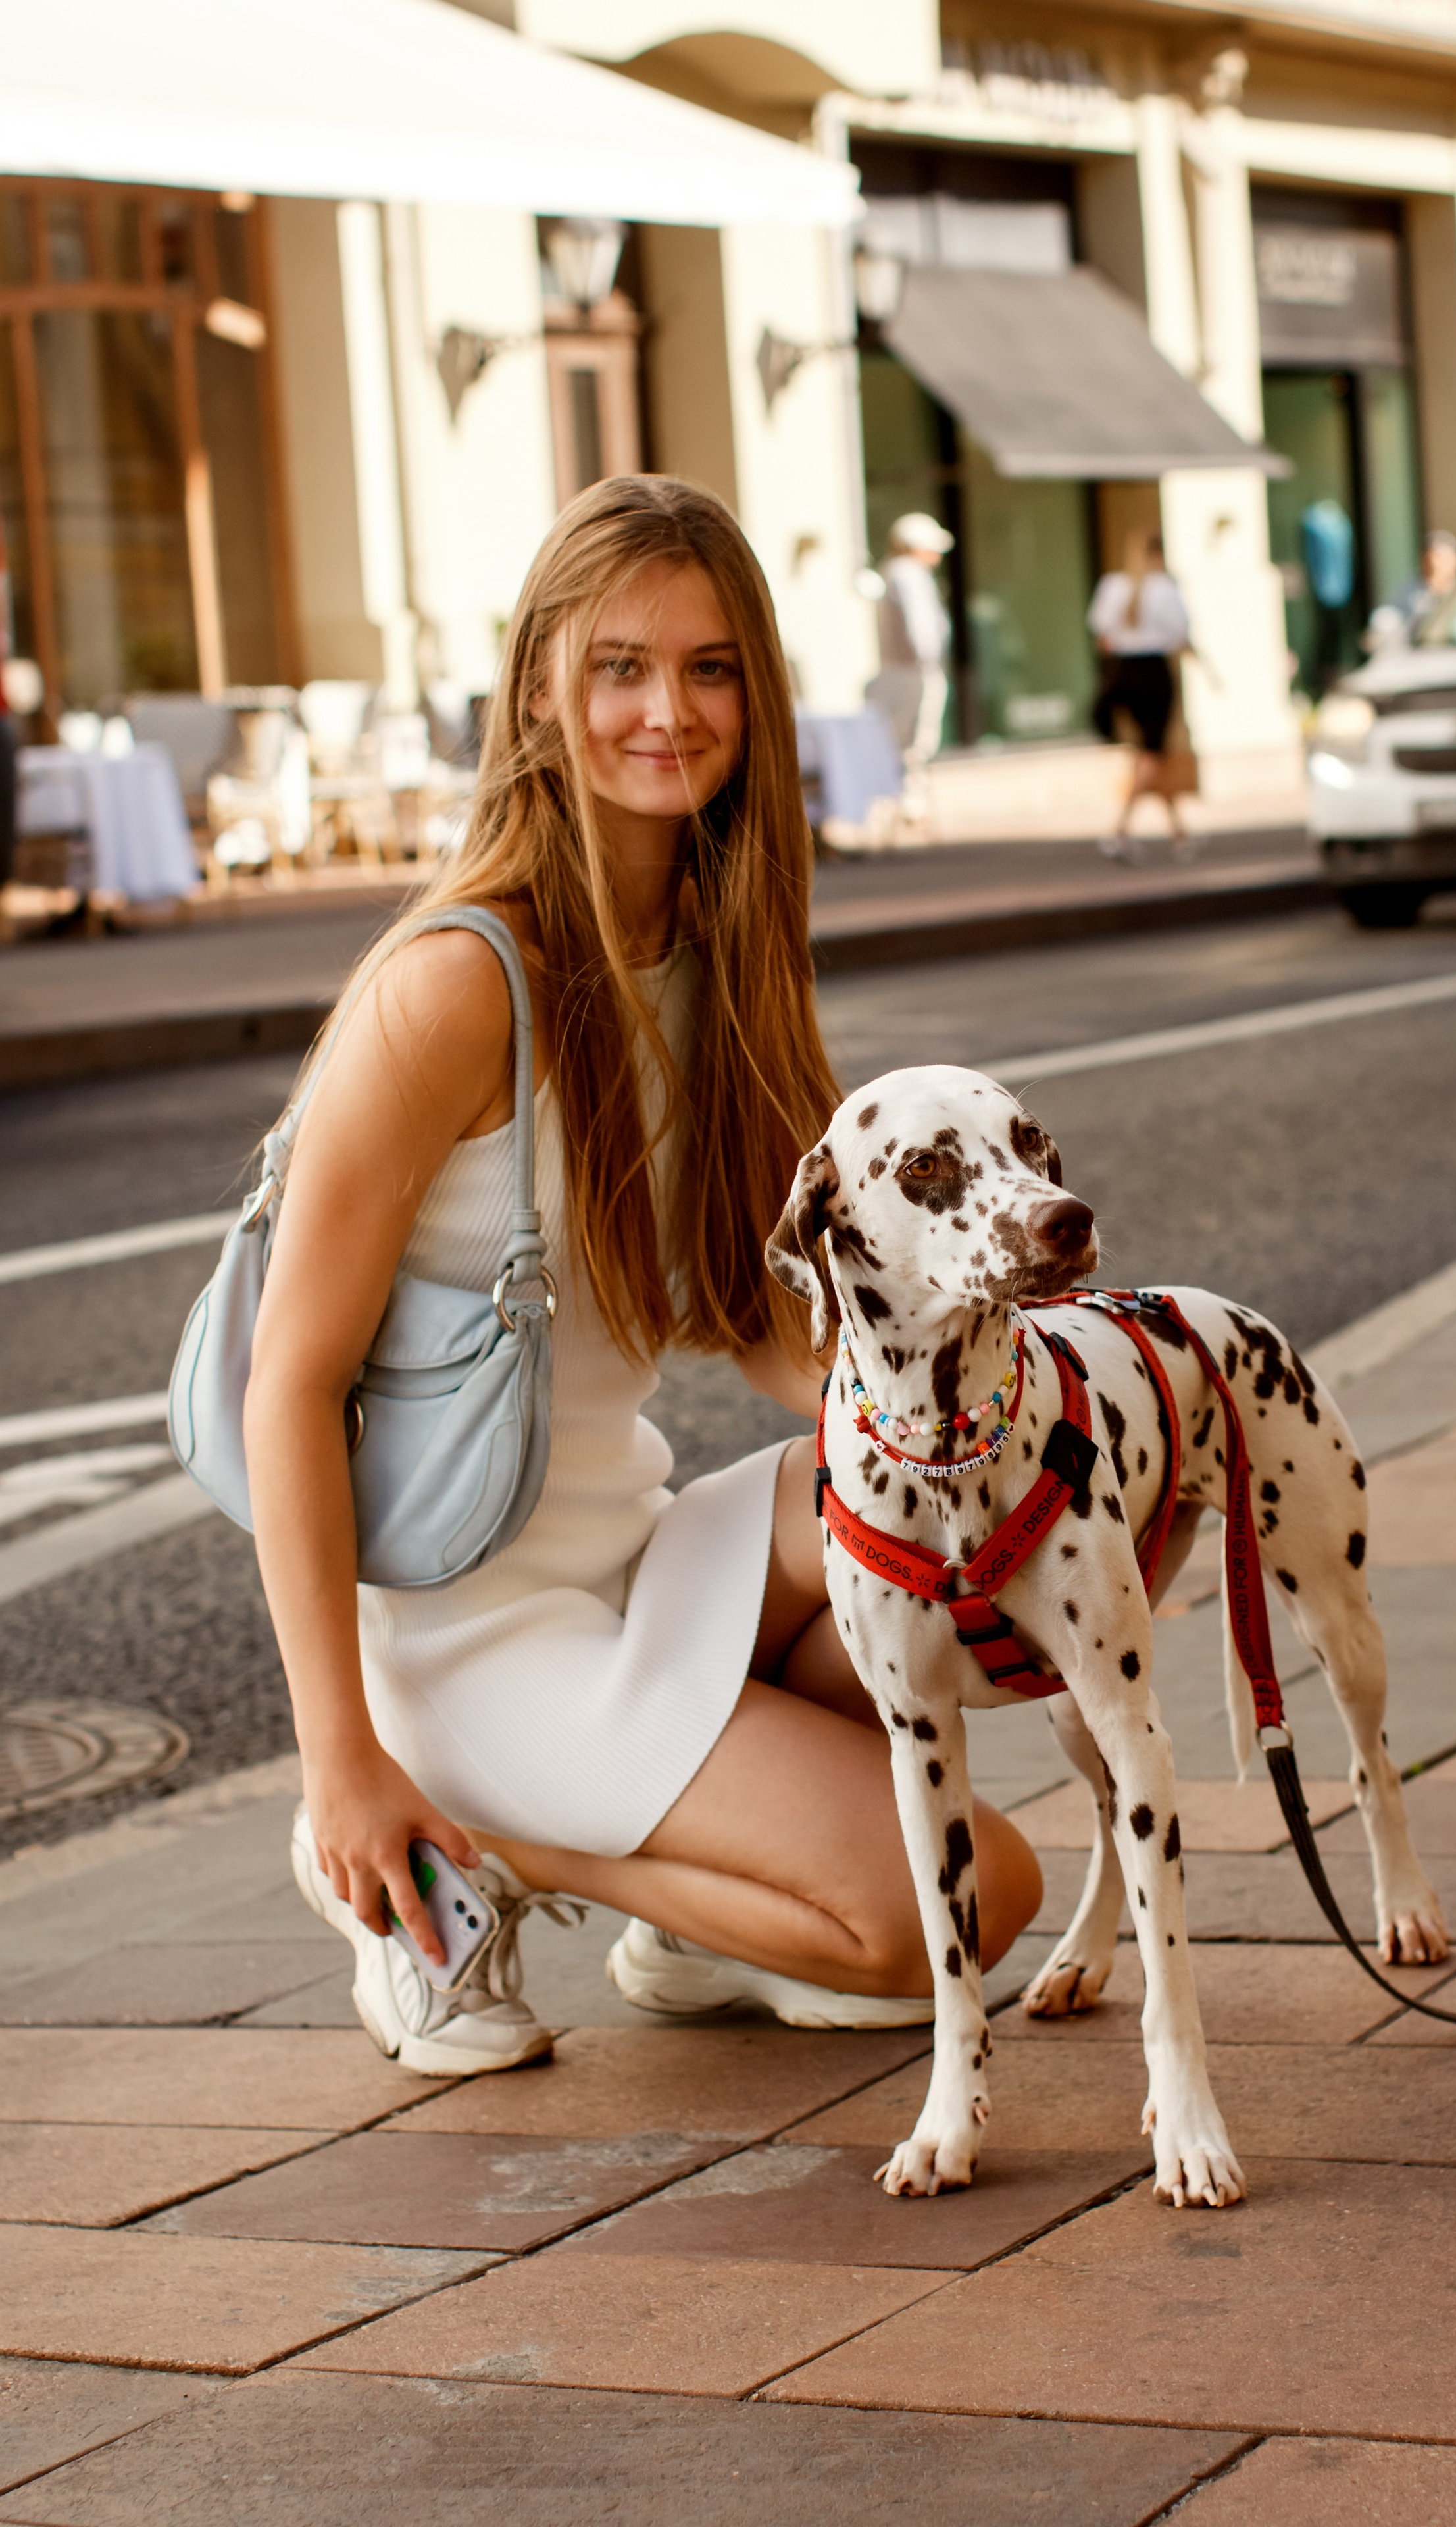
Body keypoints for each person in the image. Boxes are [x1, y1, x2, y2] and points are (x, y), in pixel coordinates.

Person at [246, 476, 1042, 2074]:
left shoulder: (719, 939)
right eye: (617, 666)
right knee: (957, 1905)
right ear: (541, 684)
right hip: (479, 1636)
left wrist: (948, 1432)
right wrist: (341, 1756)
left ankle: (705, 1903)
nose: (663, 712)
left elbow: (752, 1310)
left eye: (707, 667)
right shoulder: (453, 986)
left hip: (640, 1550)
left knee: (984, 1513)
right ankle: (473, 1827)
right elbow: (291, 1385)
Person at [1088, 530, 1193, 859]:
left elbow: (1101, 635)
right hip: (1152, 672)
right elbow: (1182, 634)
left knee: (1151, 755)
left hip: (1121, 673)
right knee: (1153, 752)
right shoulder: (1164, 588)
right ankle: (1121, 829)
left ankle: (1178, 832)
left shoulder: (1112, 586)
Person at [866, 511, 953, 825]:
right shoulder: (908, 574)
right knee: (916, 740)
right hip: (913, 672)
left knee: (905, 741)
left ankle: (908, 800)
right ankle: (911, 802)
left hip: (899, 671)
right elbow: (922, 630)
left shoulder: (893, 572)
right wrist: (929, 662)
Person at [1365, 528, 1456, 653]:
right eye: (1430, 559)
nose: (1435, 564)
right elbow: (1387, 616)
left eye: (1441, 558)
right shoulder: (1410, 591)